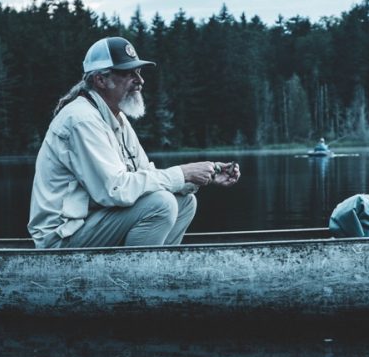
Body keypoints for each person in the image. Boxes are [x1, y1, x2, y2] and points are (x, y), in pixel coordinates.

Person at [27, 36, 240, 248]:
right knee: (161, 204)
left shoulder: (115, 117)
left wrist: (204, 175)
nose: (140, 80)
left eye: (138, 72)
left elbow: (144, 173)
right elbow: (116, 190)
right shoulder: (81, 120)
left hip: (93, 222)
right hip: (62, 238)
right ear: (100, 80)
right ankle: (138, 277)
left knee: (184, 202)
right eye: (129, 73)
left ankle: (157, 272)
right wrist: (182, 173)